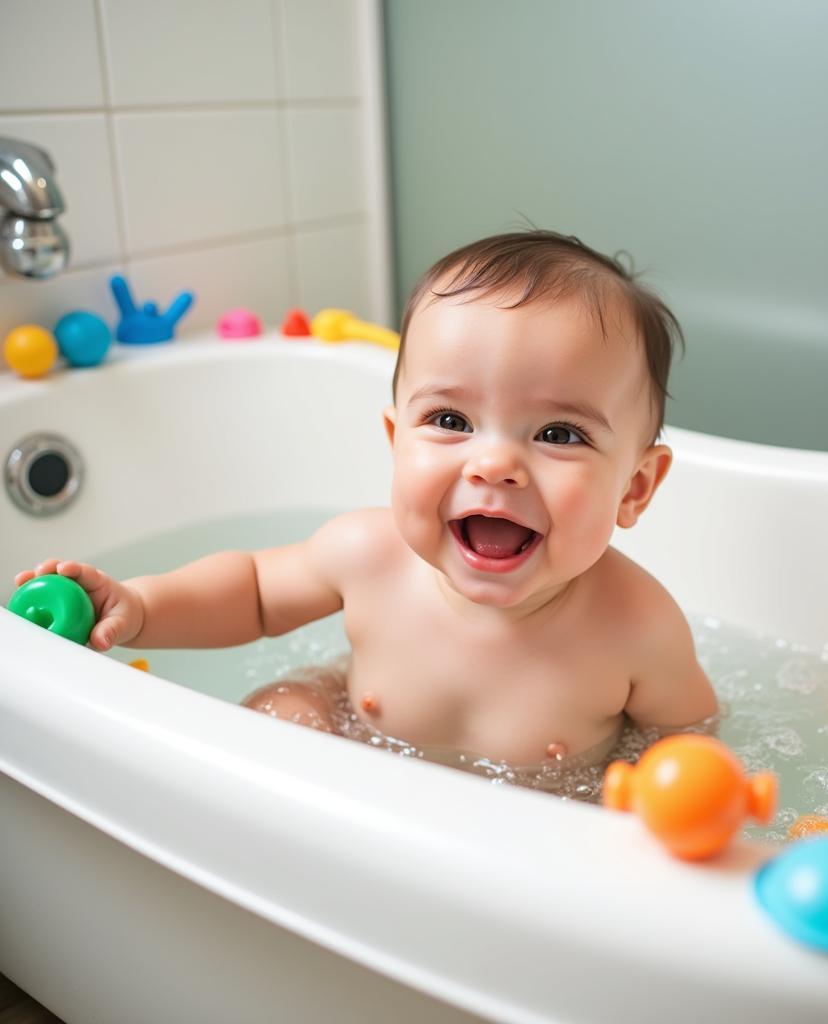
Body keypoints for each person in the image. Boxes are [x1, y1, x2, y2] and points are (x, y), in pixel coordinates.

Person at [14, 230, 718, 770]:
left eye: (558, 433)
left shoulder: (638, 627)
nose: (496, 463)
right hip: (355, 731)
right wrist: (138, 608)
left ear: (634, 488)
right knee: (283, 716)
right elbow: (254, 593)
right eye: (450, 421)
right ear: (395, 438)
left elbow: (690, 744)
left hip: (529, 829)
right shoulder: (366, 555)